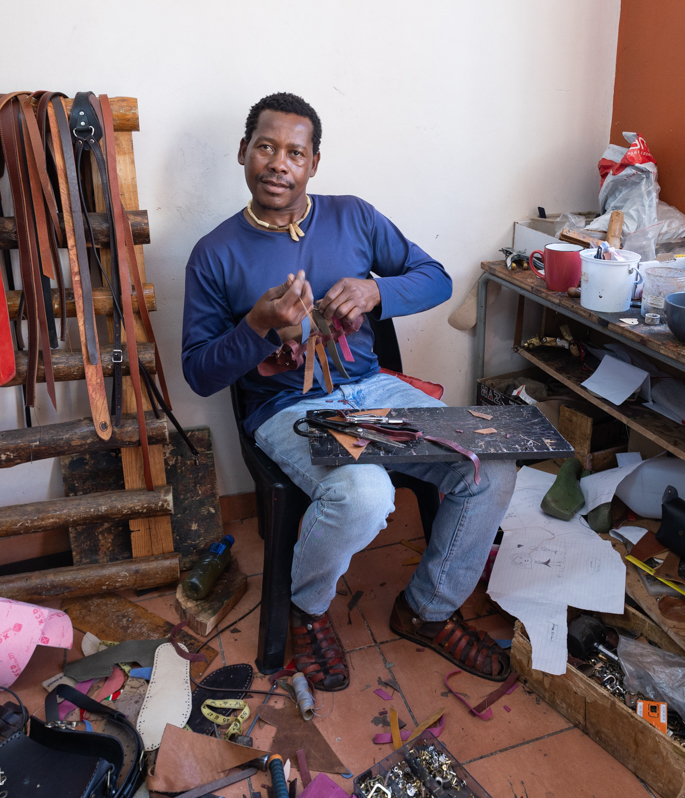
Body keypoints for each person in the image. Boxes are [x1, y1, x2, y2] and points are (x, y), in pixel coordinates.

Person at [181, 92, 516, 690]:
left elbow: (435, 278)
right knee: (364, 493)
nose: (278, 163)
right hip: (289, 407)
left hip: (374, 388)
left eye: (294, 152)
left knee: (490, 461)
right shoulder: (214, 254)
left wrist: (373, 293)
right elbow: (200, 373)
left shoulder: (354, 217)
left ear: (313, 163)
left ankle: (427, 609)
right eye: (265, 146)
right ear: (243, 153)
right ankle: (306, 611)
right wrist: (257, 327)